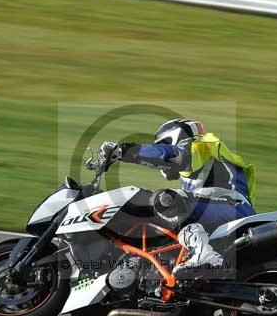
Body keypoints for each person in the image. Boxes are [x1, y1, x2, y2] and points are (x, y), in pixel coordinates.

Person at [98, 118, 256, 275]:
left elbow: (175, 156)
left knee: (165, 199)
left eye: (162, 145)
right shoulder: (199, 168)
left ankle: (203, 252)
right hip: (225, 209)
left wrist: (123, 151)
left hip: (231, 208)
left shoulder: (200, 145)